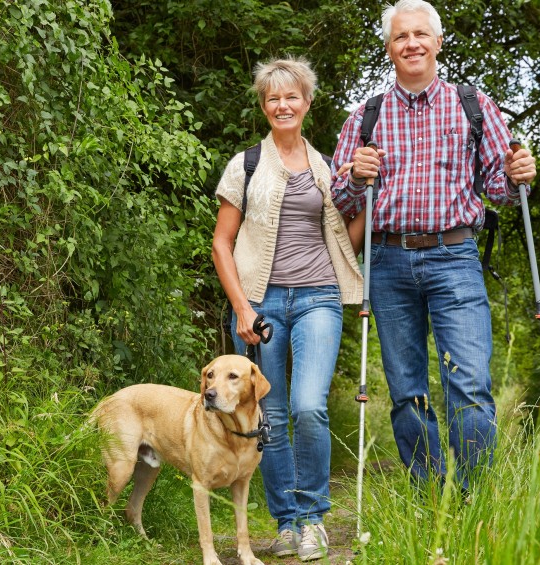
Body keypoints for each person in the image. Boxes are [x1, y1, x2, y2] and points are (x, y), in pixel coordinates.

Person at [330, 0, 538, 493]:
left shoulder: (473, 105)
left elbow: (502, 190)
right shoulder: (365, 116)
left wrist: (518, 176)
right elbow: (337, 199)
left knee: (468, 386)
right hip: (387, 260)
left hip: (455, 257)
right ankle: (427, 495)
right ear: (389, 49)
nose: (412, 44)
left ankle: (472, 501)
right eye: (401, 37)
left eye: (421, 34)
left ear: (438, 42)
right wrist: (357, 178)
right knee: (406, 392)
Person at [212, 56, 363, 561]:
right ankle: (286, 523)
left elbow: (346, 240)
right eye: (273, 97)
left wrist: (370, 200)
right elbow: (221, 243)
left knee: (308, 405)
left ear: (307, 102)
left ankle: (315, 518)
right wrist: (241, 308)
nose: (282, 105)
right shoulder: (246, 164)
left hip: (319, 295)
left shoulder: (328, 167)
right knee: (268, 414)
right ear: (263, 105)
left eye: (291, 96)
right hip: (260, 301)